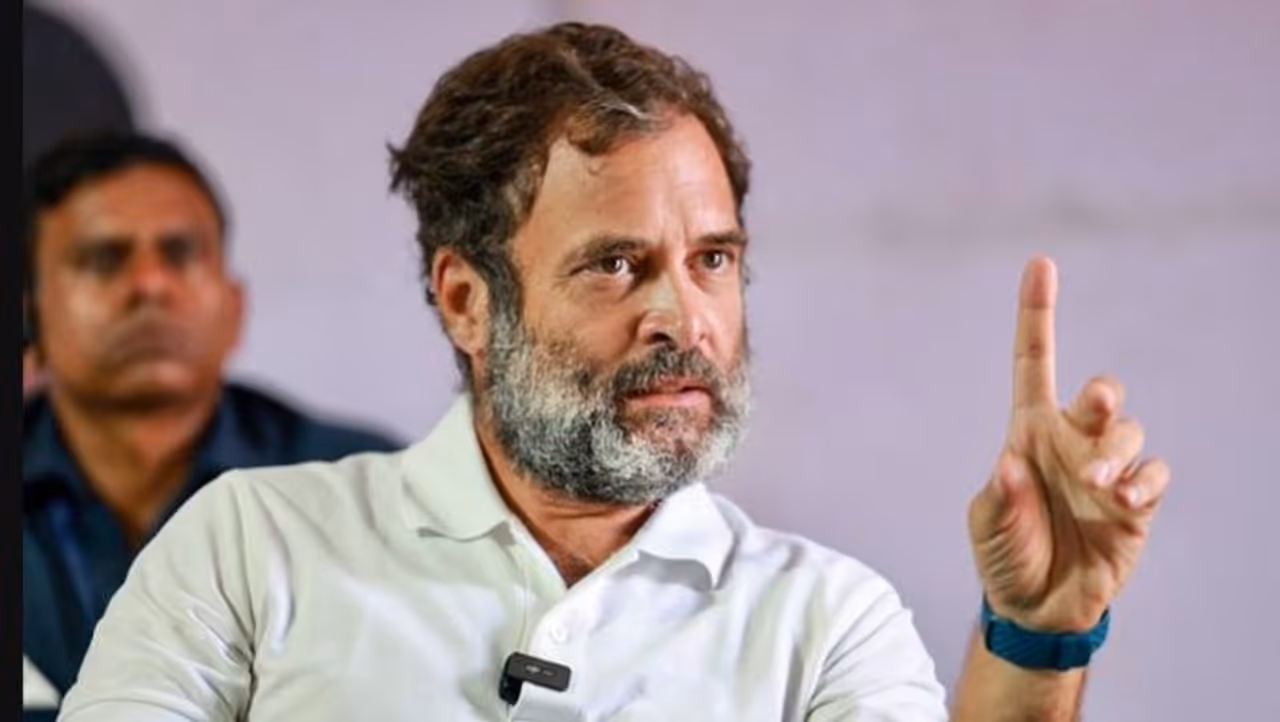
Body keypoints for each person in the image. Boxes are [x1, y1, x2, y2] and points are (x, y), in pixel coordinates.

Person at [59, 23, 1170, 721]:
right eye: (616, 265)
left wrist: (1038, 633)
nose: (682, 318)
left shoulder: (824, 617)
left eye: (713, 259)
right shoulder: (248, 549)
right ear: (466, 300)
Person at [21, 132, 402, 716]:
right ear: (31, 314)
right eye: (105, 259)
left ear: (234, 307)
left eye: (179, 254)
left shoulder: (358, 487)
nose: (150, 286)